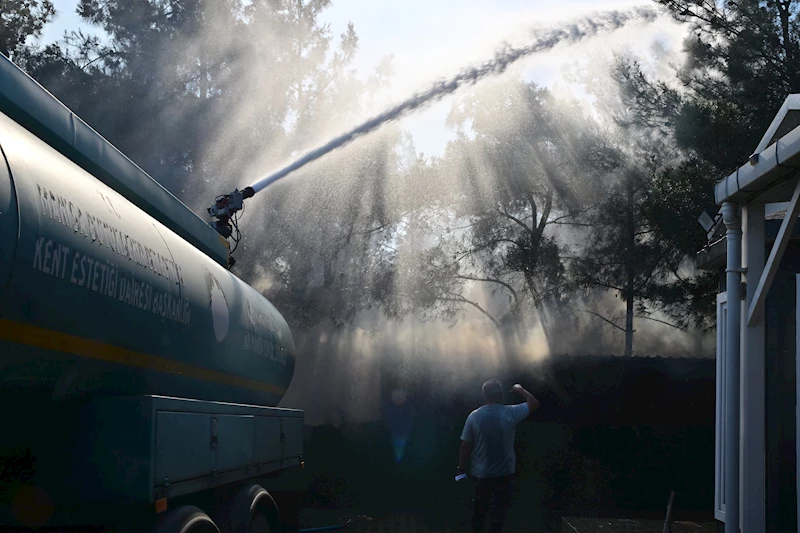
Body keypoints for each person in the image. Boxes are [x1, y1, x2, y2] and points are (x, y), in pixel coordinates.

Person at [457, 379, 540, 533]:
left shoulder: (474, 416)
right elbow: (534, 403)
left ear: (484, 395)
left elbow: (465, 447)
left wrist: (461, 469)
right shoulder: (510, 413)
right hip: (504, 475)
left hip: (481, 475)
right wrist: (520, 389)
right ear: (500, 395)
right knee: (498, 516)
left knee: (479, 513)